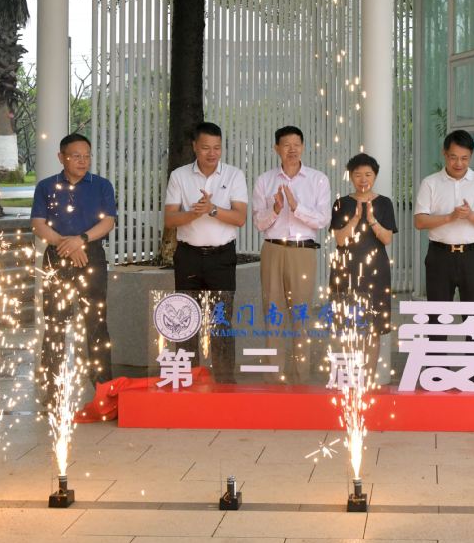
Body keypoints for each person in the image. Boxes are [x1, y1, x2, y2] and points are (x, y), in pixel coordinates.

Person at [31, 133, 117, 392]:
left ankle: (103, 383)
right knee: (55, 320)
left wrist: (80, 240)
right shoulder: (46, 186)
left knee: (96, 320)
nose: (83, 161)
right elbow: (38, 224)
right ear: (61, 157)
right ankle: (52, 383)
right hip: (56, 256)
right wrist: (66, 246)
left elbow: (108, 222)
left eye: (87, 156)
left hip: (92, 254)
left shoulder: (101, 185)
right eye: (76, 156)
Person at [163, 122, 248, 382]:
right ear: (194, 147)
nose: (212, 153)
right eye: (206, 148)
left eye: (217, 148)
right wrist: (193, 213)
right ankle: (187, 379)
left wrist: (211, 209)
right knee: (185, 321)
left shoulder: (234, 175)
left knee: (221, 322)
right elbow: (170, 219)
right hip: (188, 257)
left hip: (222, 258)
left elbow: (240, 218)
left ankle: (224, 382)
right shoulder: (179, 176)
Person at [413, 130, 474, 386]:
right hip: (440, 256)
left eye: (464, 158)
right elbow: (420, 221)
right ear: (444, 154)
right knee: (437, 317)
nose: (458, 163)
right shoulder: (430, 183)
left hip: (473, 257)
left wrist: (470, 215)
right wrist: (450, 217)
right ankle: (436, 374)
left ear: (471, 156)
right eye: (453, 157)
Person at [252, 125, 331, 383]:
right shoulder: (265, 180)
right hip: (273, 249)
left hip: (302, 251)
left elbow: (323, 219)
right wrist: (275, 210)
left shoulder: (318, 179)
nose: (292, 150)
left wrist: (296, 207)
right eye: (286, 145)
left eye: (297, 144)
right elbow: (258, 222)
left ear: (303, 147)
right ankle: (274, 378)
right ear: (277, 148)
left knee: (301, 315)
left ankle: (300, 378)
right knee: (273, 313)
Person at [329, 153, 397, 382]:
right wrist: (356, 219)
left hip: (376, 273)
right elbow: (340, 240)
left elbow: (387, 239)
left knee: (372, 329)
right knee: (347, 327)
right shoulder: (341, 203)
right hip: (345, 271)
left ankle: (367, 380)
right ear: (350, 176)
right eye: (358, 175)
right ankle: (349, 379)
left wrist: (372, 219)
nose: (363, 179)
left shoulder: (384, 203)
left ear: (375, 176)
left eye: (368, 174)